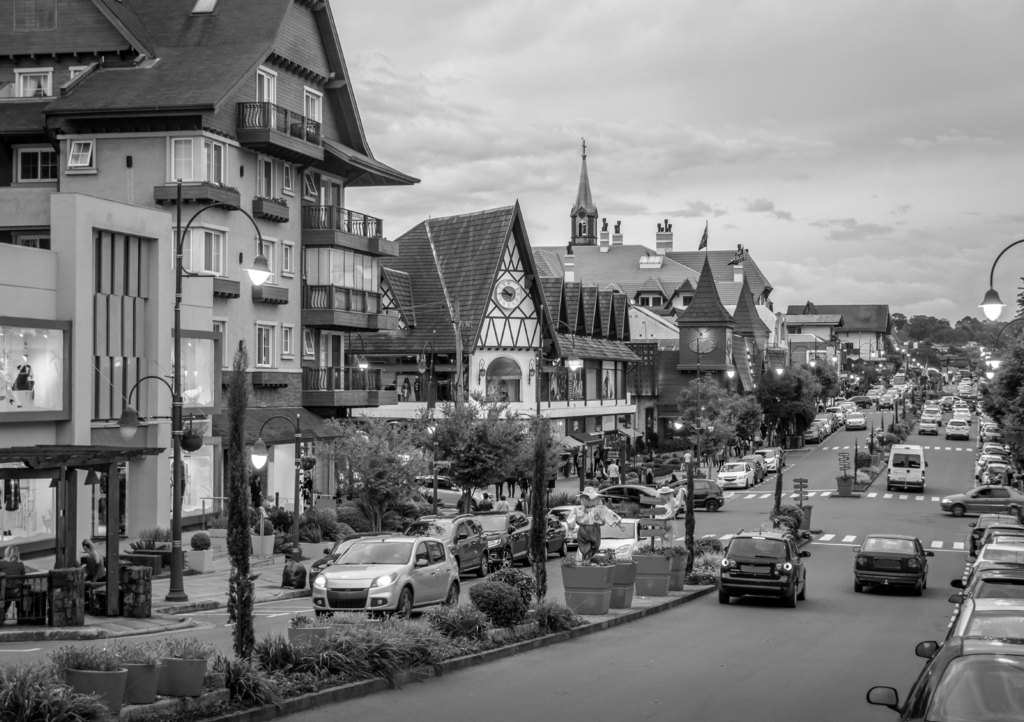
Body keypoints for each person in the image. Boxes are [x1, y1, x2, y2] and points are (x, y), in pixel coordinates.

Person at [565, 487, 623, 563]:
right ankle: (587, 557)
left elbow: (609, 514)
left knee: (595, 546)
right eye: (586, 498)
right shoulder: (578, 509)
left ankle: (587, 558)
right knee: (584, 545)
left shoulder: (600, 509)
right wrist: (571, 526)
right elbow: (572, 518)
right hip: (585, 529)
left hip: (593, 529)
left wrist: (619, 523)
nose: (588, 500)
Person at [0, 546, 28, 621]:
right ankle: (20, 617)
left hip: (4, 592)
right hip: (16, 591)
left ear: (6, 552)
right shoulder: (20, 564)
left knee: (4, 596)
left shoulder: (1, 563)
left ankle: (2, 616)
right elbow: (23, 578)